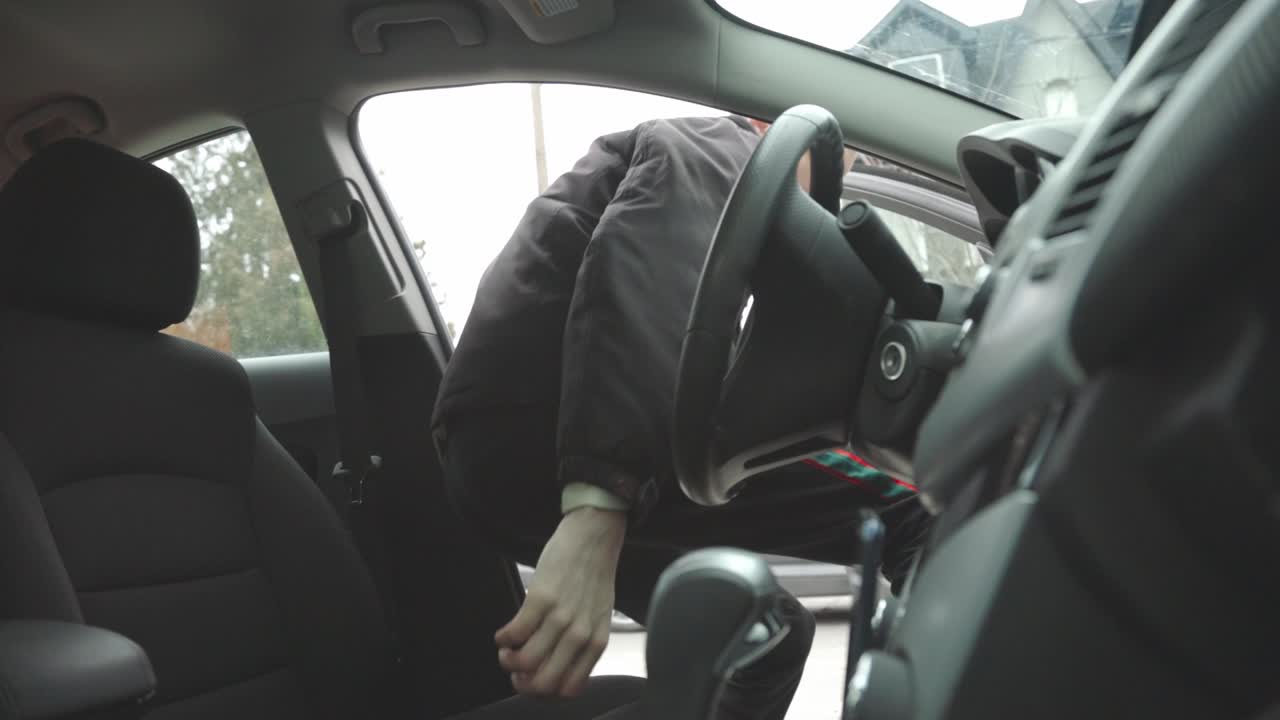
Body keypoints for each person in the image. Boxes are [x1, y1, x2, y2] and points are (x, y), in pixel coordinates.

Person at [431, 114, 933, 719]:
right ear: (776, 127)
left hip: (502, 458)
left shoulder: (721, 215)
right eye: (847, 163)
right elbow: (648, 255)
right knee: (912, 505)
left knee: (761, 633)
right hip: (553, 436)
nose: (843, 180)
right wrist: (598, 507)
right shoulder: (718, 146)